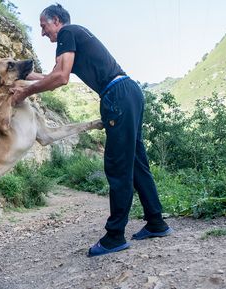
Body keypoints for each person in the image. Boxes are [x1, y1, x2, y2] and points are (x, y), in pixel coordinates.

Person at [10, 4, 173, 257]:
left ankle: (114, 236)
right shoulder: (75, 38)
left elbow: (61, 78)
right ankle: (156, 222)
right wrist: (23, 78)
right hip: (129, 92)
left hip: (116, 97)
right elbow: (53, 76)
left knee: (118, 167)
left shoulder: (68, 33)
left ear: (56, 20)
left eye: (43, 26)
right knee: (137, 163)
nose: (43, 33)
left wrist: (25, 92)